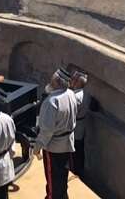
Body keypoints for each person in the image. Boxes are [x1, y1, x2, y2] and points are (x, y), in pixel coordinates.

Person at [33, 68, 77, 199]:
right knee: (62, 177)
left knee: (52, 182)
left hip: (54, 148)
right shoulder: (71, 94)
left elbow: (47, 131)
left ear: (57, 82)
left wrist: (37, 148)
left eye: (52, 79)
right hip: (67, 144)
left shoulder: (51, 102)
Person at [69, 67, 89, 179]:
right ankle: (80, 171)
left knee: (74, 153)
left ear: (77, 82)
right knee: (80, 151)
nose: (71, 81)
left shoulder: (75, 97)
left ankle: (75, 173)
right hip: (81, 126)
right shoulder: (85, 93)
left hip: (75, 128)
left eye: (73, 79)